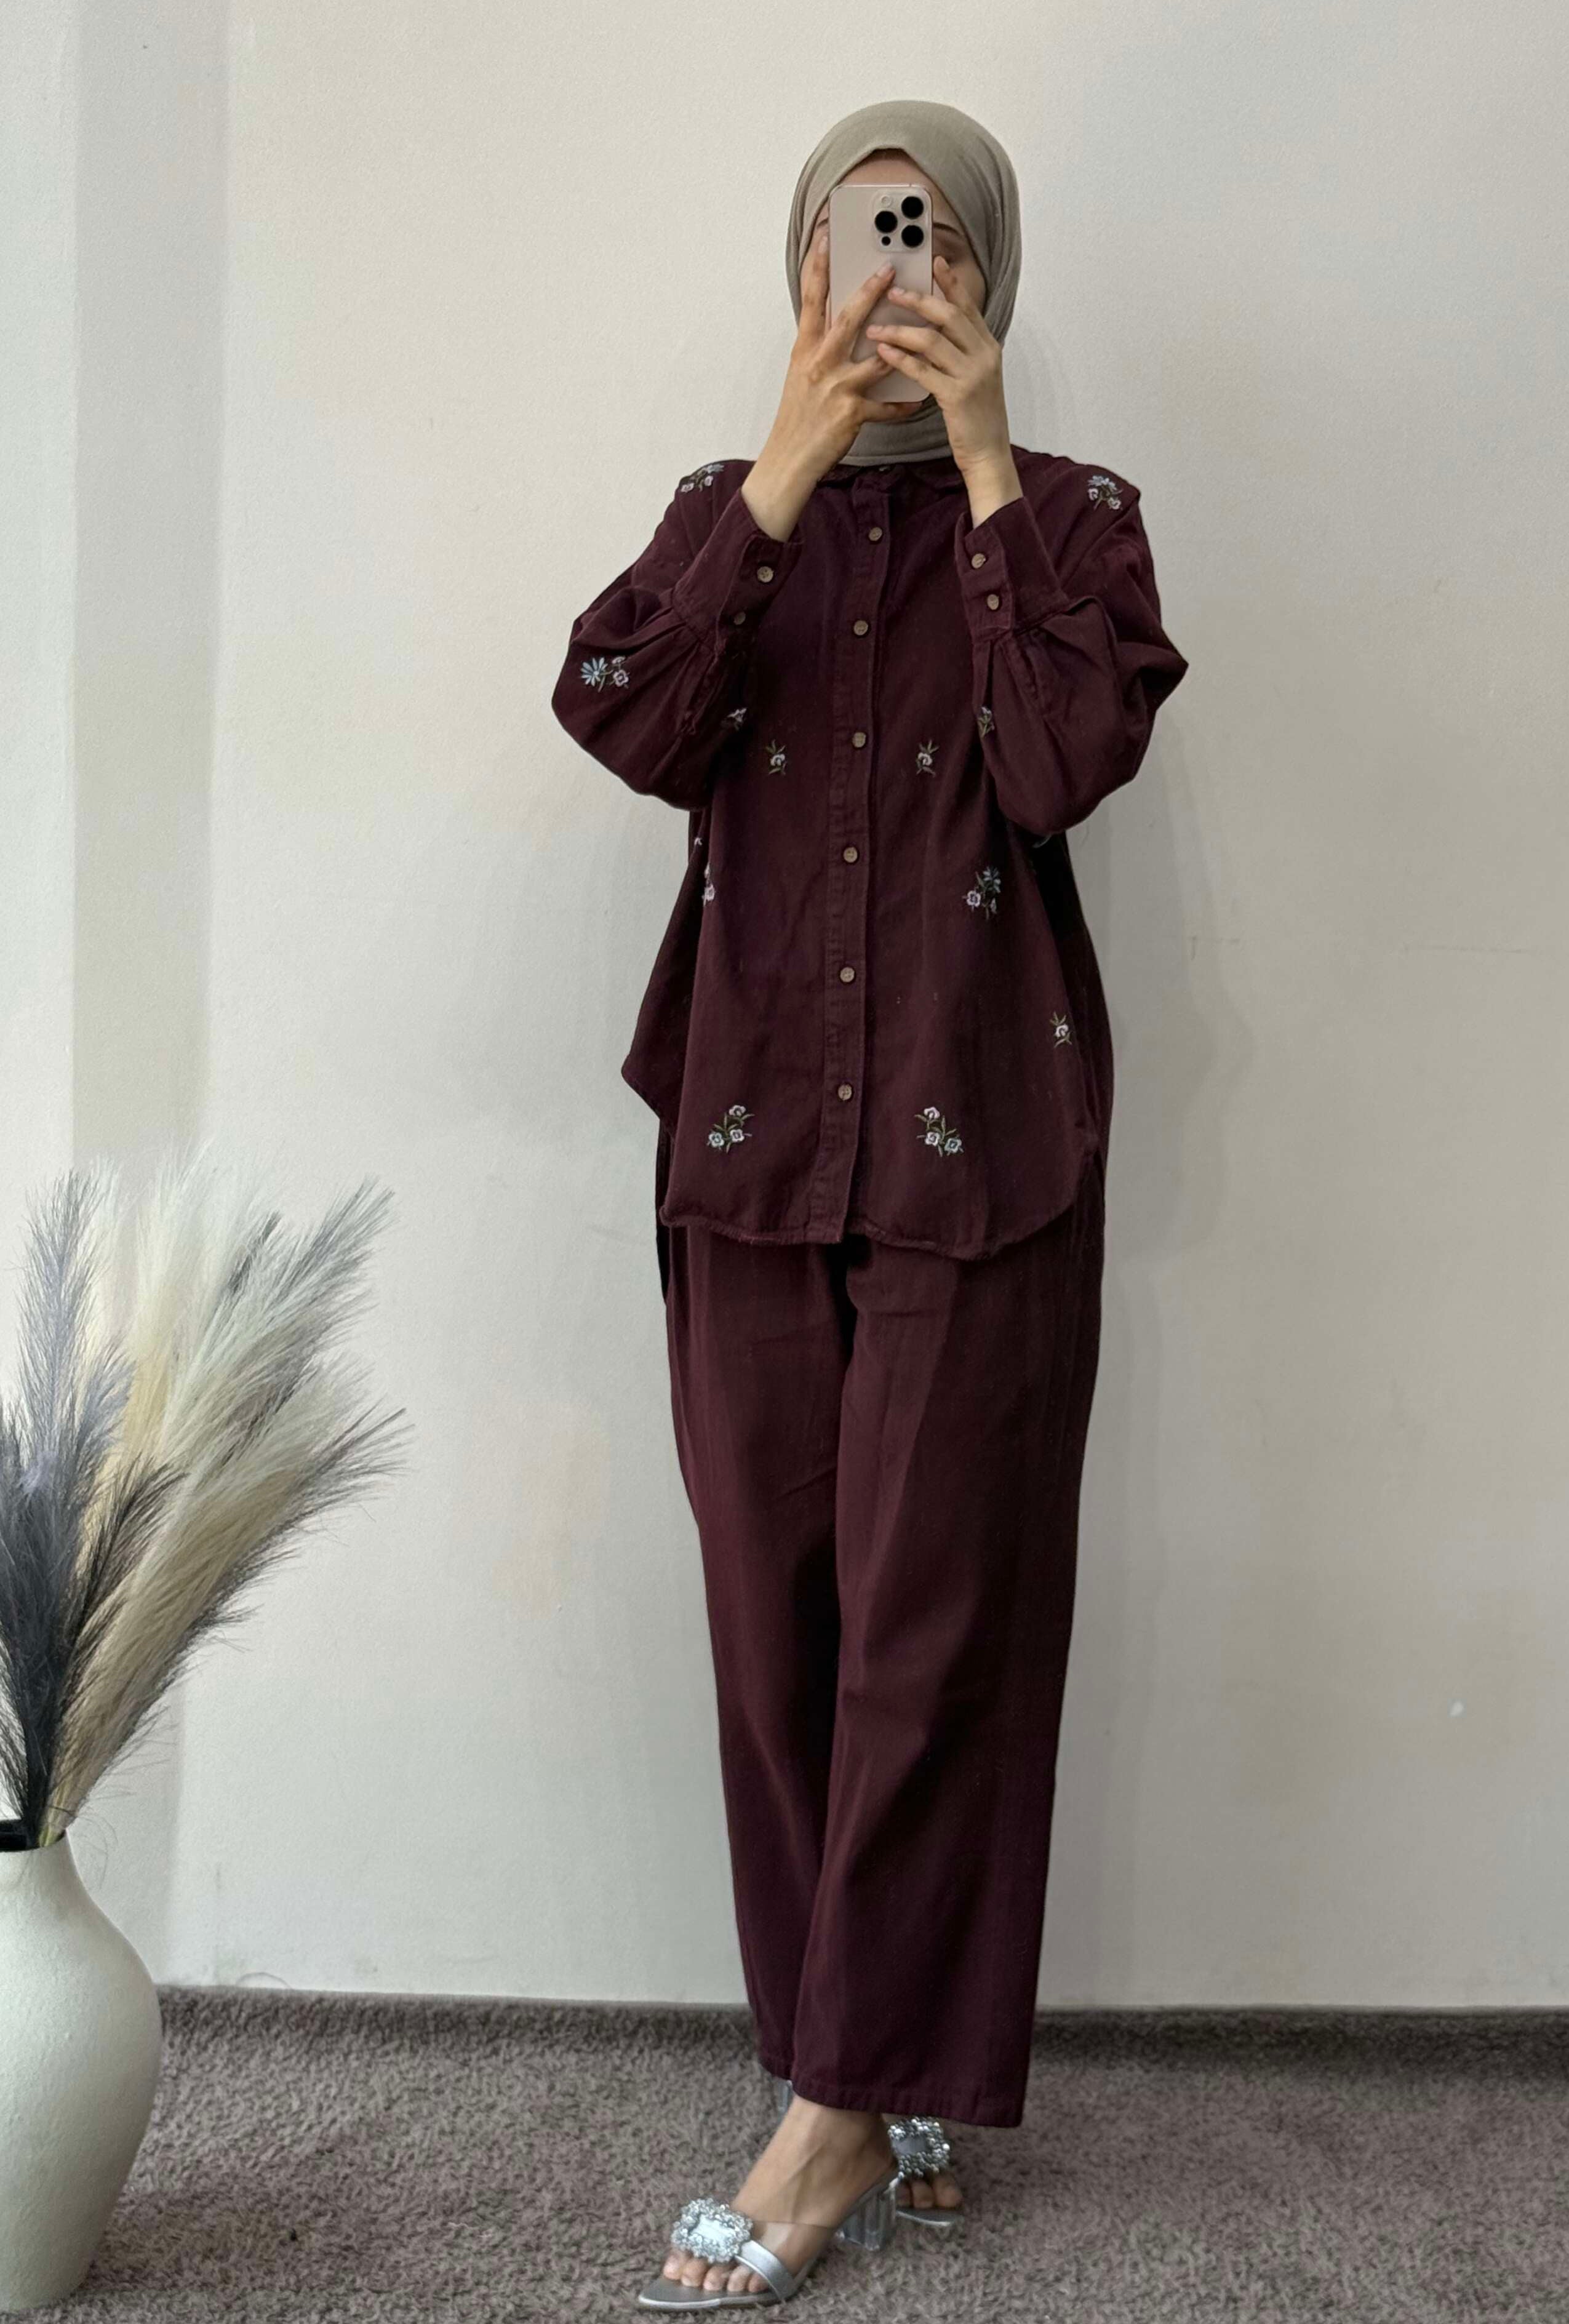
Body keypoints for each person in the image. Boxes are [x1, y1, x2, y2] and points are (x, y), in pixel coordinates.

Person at [552, 97, 1188, 2312]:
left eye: (933, 242)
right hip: (741, 1144)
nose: (895, 276)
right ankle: (866, 2059)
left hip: (975, 1154)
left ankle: (827, 2125)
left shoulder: (1082, 522)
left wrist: (993, 464)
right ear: (801, 264)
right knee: (778, 1637)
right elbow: (623, 718)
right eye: (858, 238)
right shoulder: (719, 520)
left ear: (989, 267)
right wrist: (787, 464)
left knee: (938, 1636)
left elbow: (1062, 762)